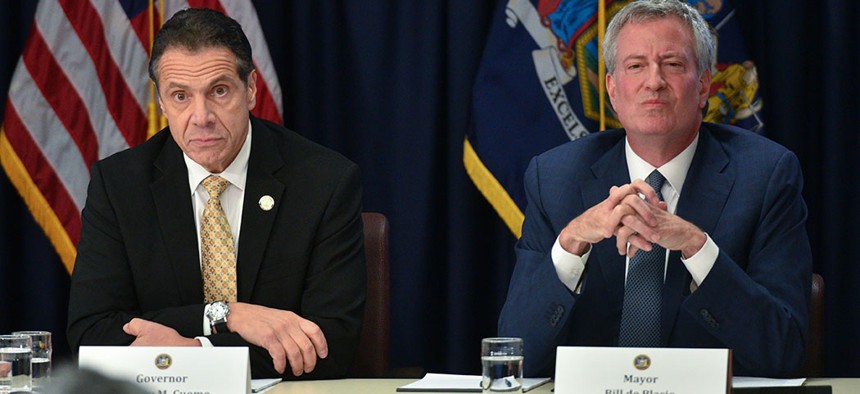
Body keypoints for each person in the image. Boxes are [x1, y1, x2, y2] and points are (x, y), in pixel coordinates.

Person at [498, 0, 811, 378]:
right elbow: (516, 357)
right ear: (612, 90)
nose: (654, 81)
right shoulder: (554, 178)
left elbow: (784, 352)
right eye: (635, 66)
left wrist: (698, 249)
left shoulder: (765, 176)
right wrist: (571, 241)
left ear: (704, 85)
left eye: (674, 64)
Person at [67, 8, 366, 380]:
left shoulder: (324, 181)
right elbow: (90, 335)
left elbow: (330, 345)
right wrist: (227, 315)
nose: (201, 116)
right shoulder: (120, 185)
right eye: (180, 96)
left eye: (219, 91)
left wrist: (194, 352)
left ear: (252, 89)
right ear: (161, 103)